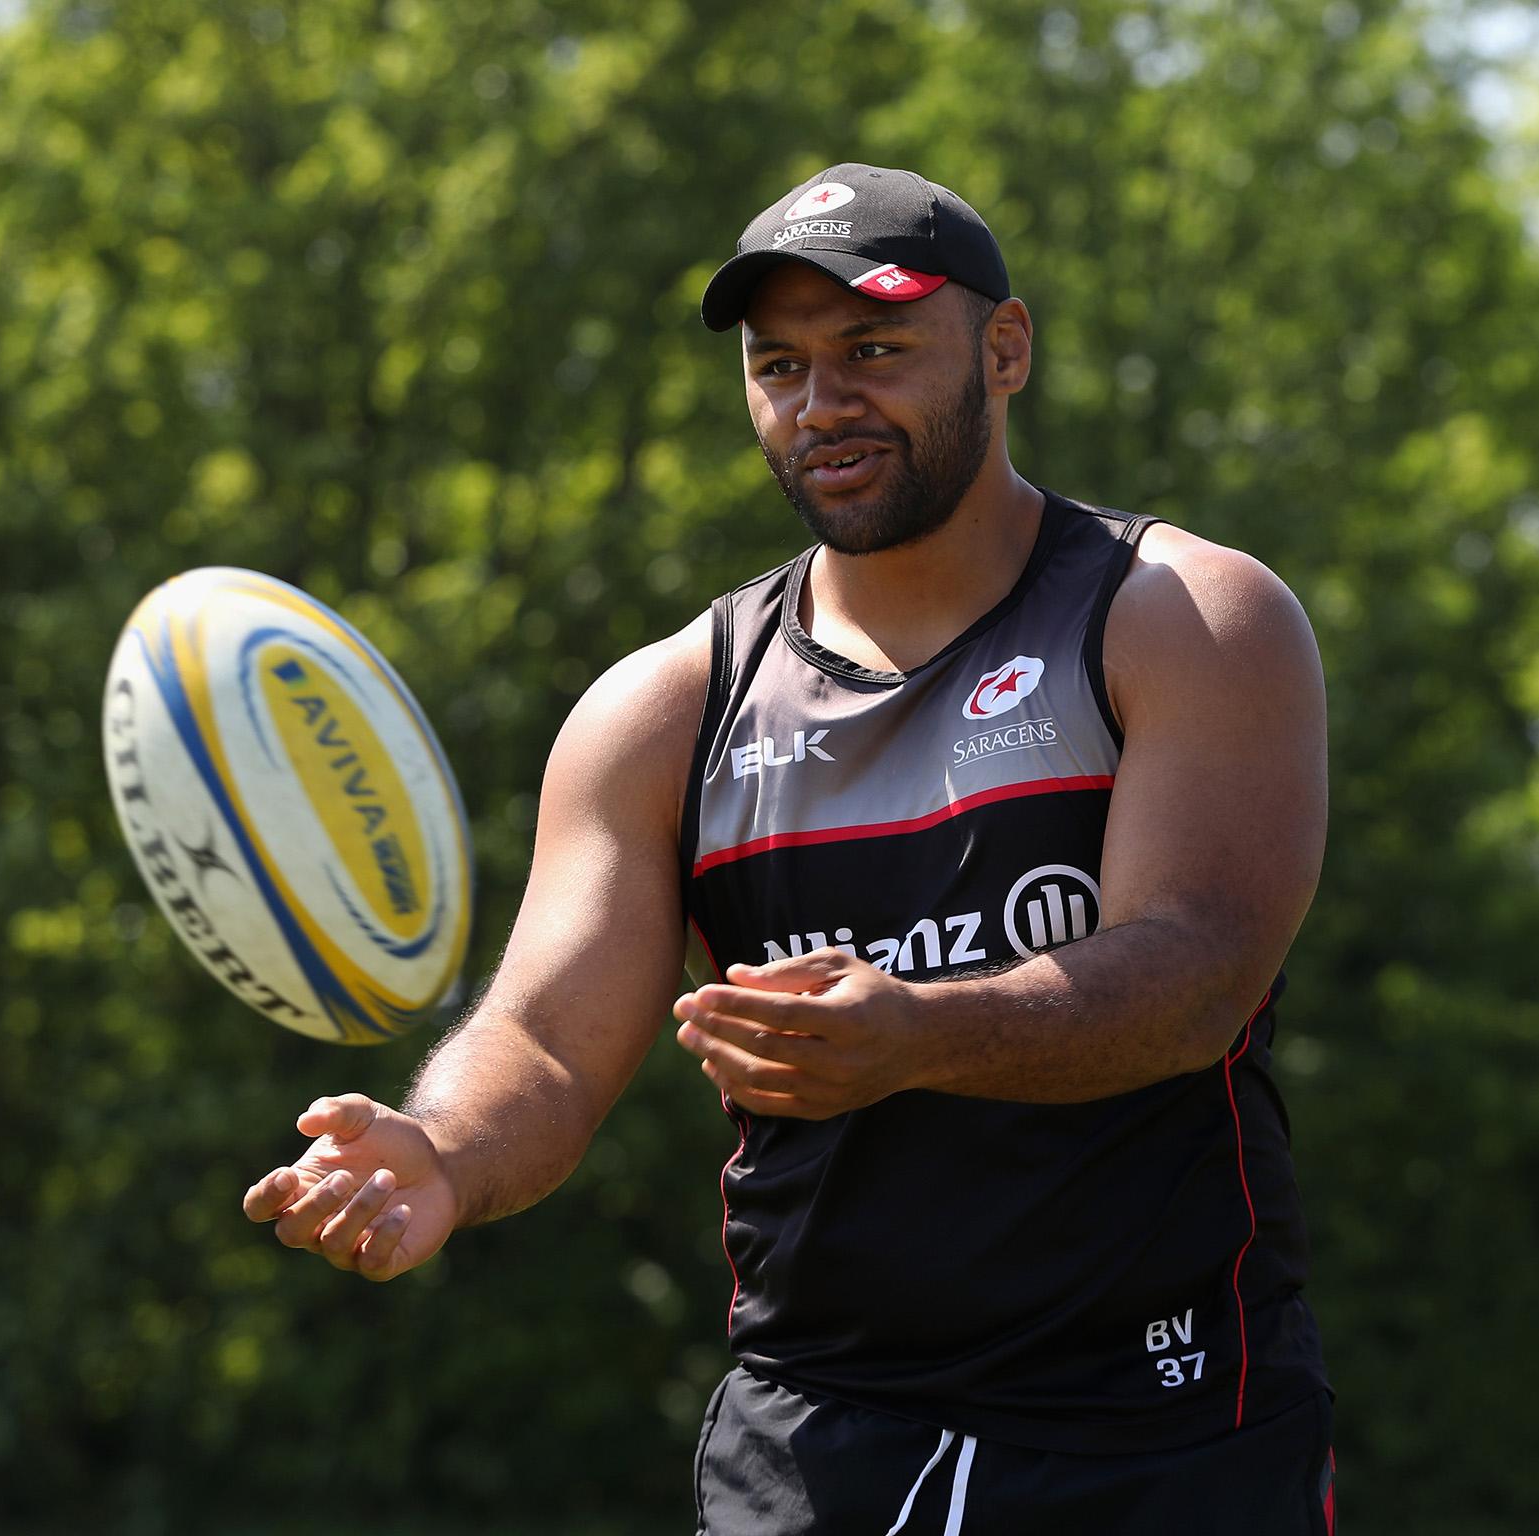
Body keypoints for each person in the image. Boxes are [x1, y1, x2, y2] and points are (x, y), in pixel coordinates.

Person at [243, 163, 1335, 1534]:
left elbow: (1201, 971)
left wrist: (920, 1034)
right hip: (819, 1441)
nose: (823, 405)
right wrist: (445, 1151)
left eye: (873, 350)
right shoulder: (661, 710)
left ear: (1006, 350)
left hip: (1165, 1430)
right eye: (780, 366)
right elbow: (546, 1037)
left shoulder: (1182, 614)